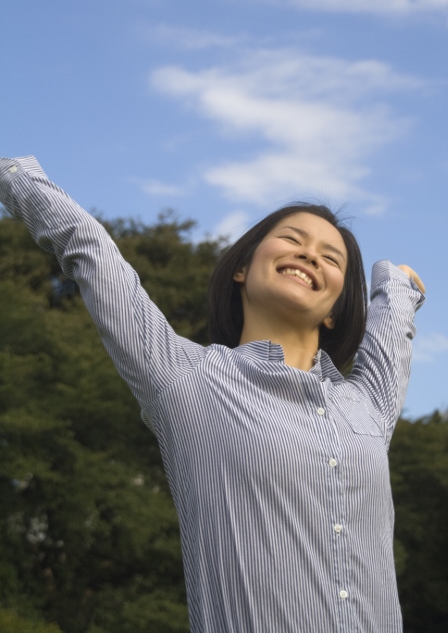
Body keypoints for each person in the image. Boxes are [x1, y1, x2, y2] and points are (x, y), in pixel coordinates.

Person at [0, 156, 425, 633]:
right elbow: (91, 253)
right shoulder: (186, 378)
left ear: (333, 311)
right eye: (292, 239)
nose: (310, 255)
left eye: (332, 258)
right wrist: (13, 176)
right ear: (242, 268)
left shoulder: (367, 407)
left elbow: (390, 336)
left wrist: (397, 285)